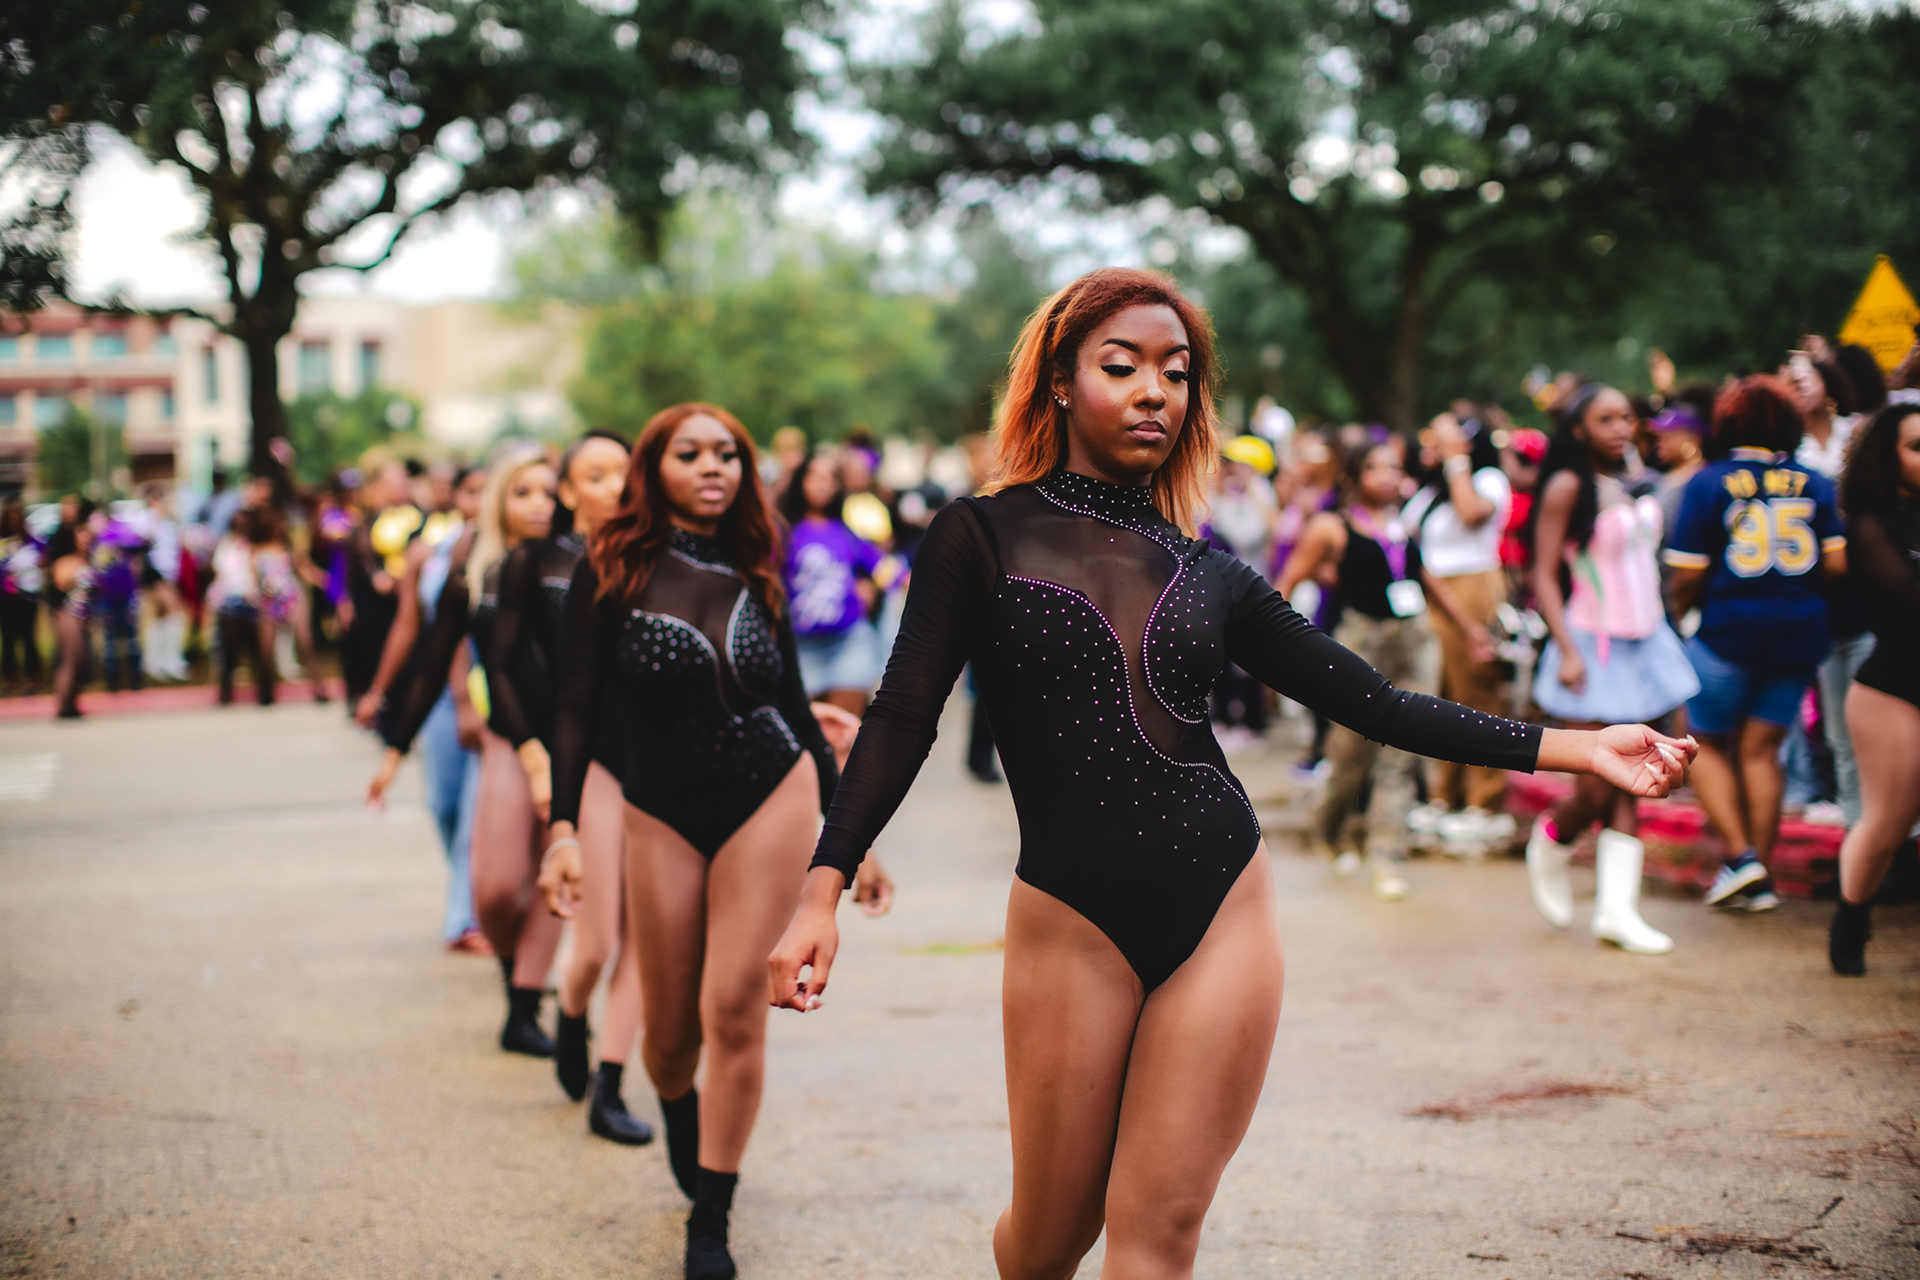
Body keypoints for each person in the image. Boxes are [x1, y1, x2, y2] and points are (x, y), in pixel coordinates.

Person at [768, 269, 1694, 1280]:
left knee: (1158, 1236)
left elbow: (1376, 702)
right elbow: (903, 716)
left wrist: (1578, 746)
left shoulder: (1207, 570)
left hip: (1221, 903)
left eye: (1177, 373)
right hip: (1070, 916)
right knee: (1046, 1238)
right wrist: (822, 889)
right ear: (1062, 382)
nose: (1154, 391)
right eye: (1122, 366)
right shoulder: (977, 535)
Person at [538, 404, 886, 1280]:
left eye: (727, 453)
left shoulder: (757, 565)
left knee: (733, 1009)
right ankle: (683, 1119)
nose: (712, 467)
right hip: (659, 808)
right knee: (667, 1039)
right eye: (689, 453)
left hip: (769, 792)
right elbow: (573, 705)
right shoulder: (608, 569)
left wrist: (852, 838)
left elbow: (793, 704)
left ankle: (713, 1215)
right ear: (653, 469)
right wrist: (564, 829)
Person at [368, 444, 565, 1057]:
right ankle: (514, 970)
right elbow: (433, 664)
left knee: (554, 878)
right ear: (498, 499)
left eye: (549, 492)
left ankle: (525, 1007)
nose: (539, 504)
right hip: (509, 736)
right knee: (497, 888)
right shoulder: (471, 573)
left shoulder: (574, 564)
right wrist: (395, 751)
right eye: (523, 492)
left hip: (575, 743)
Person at [492, 431, 652, 1142]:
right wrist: (546, 773)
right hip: (594, 761)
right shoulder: (543, 562)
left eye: (625, 471)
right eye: (597, 474)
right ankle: (572, 1009)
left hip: (662, 766)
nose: (615, 485)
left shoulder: (661, 558)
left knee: (647, 938)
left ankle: (611, 1082)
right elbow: (537, 681)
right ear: (569, 489)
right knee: (593, 943)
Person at [1519, 381, 1702, 954]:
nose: (1622, 427)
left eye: (1626, 416)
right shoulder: (1569, 485)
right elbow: (1542, 572)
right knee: (1601, 782)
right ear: (1578, 430)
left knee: (1635, 773)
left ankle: (1617, 910)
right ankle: (1552, 837)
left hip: (1646, 642)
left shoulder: (1637, 477)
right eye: (1606, 419)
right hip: (1590, 644)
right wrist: (1567, 648)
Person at [1276, 438, 1490, 898]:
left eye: (1395, 468)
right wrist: (1283, 651)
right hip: (1360, 645)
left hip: (1415, 642)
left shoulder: (1403, 525)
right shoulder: (1331, 527)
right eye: (1377, 468)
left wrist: (1470, 629)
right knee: (1349, 751)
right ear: (1353, 477)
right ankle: (1329, 830)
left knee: (1402, 749)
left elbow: (1425, 579)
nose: (1389, 477)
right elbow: (1286, 582)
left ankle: (1386, 855)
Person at [1665, 376, 1845, 913]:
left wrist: (1680, 612)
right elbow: (1837, 565)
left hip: (1729, 633)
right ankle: (1758, 874)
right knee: (1763, 751)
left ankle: (1742, 860)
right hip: (1800, 633)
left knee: (1701, 743)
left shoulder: (1707, 481)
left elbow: (1687, 574)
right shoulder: (1815, 481)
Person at [358, 464, 488, 953]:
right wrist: (378, 691)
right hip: (438, 697)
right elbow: (408, 627)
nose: (477, 501)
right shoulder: (429, 553)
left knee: (478, 812)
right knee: (445, 807)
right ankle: (475, 891)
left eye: (487, 491)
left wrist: (469, 700)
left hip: (491, 696)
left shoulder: (509, 556)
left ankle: (467, 918)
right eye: (469, 491)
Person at [1826, 403, 1920, 974]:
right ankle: (1851, 917)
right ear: (1889, 456)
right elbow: (1908, 600)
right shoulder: (1870, 523)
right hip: (1893, 690)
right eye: (1917, 446)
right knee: (1887, 825)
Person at [1401, 409, 1516, 849]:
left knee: (1479, 695)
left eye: (1445, 438)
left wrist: (1456, 460)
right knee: (1440, 696)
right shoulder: (1430, 491)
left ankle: (1487, 804)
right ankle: (1444, 797)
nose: (1432, 445)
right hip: (1434, 595)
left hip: (1474, 588)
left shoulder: (1486, 480)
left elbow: (1471, 514)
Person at [776, 447, 882, 716]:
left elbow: (884, 567)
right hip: (801, 649)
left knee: (844, 732)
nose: (824, 483)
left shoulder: (845, 532)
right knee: (808, 736)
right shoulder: (783, 532)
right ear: (800, 481)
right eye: (815, 476)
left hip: (848, 643)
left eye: (831, 477)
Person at [45, 516, 97, 720]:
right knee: (70, 659)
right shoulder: (66, 561)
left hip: (84, 615)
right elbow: (59, 583)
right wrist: (77, 574)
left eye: (88, 536)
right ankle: (63, 705)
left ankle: (72, 702)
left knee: (82, 660)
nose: (85, 540)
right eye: (81, 536)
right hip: (68, 613)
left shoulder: (90, 560)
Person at [0, 502, 44, 695]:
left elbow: (43, 555)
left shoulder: (30, 540)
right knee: (8, 639)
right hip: (6, 598)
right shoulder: (2, 540)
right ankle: (9, 679)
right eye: (11, 517)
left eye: (18, 516)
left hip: (27, 595)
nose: (15, 520)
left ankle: (32, 679)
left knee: (28, 638)